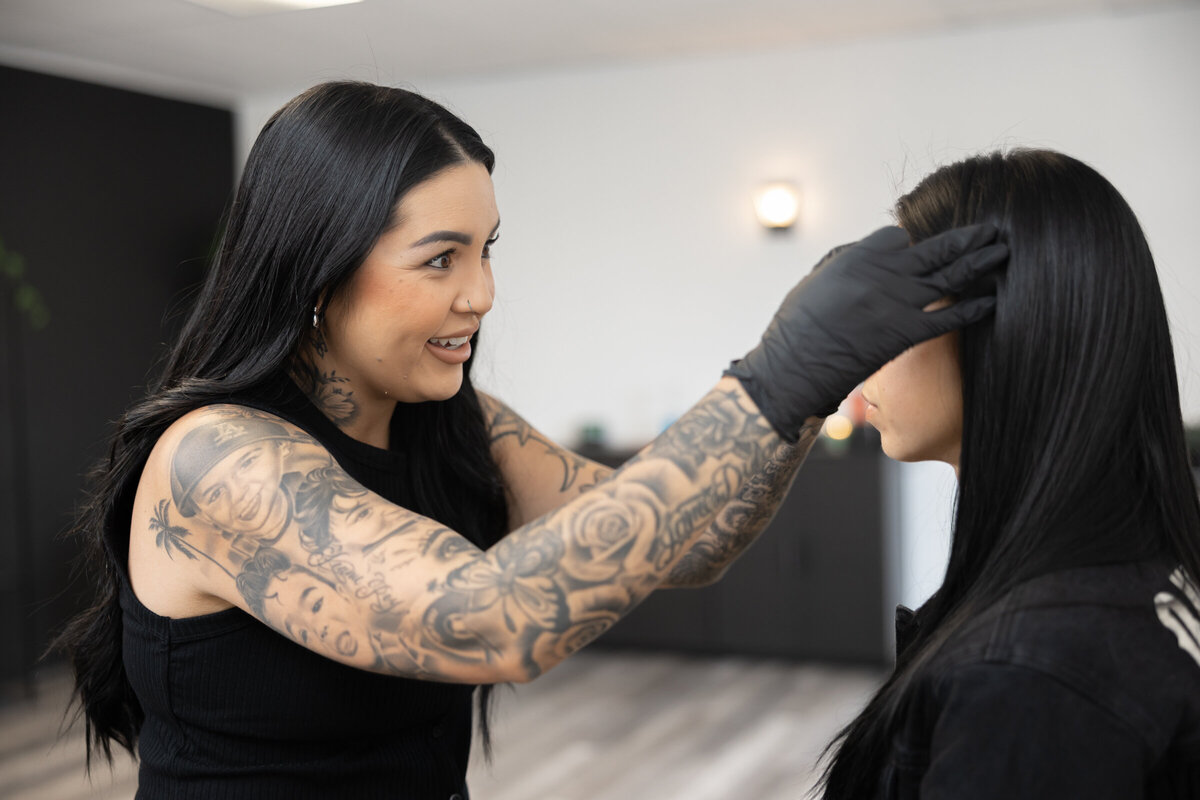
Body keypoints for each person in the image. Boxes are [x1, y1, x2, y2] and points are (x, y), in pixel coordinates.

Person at [55, 80, 1005, 799]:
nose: (481, 295)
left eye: (487, 249)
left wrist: (807, 381)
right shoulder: (217, 459)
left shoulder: (455, 424)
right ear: (317, 275)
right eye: (440, 259)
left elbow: (691, 543)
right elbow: (491, 619)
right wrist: (773, 379)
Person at [819, 149, 1200, 799]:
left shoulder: (1031, 673)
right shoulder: (1129, 577)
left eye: (892, 312)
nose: (861, 352)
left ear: (999, 326)